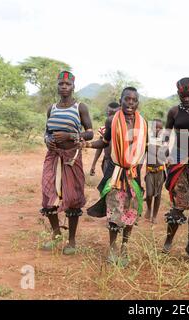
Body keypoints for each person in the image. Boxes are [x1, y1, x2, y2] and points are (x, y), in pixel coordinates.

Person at [84, 87, 147, 267]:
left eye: (134, 100)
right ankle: (112, 247)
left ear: (137, 103)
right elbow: (103, 143)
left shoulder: (143, 123)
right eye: (127, 99)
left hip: (133, 175)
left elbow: (143, 149)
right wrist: (86, 144)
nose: (130, 103)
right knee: (113, 211)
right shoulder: (112, 120)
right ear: (120, 100)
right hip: (115, 173)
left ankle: (125, 247)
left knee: (130, 212)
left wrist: (140, 175)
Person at [40, 71, 93, 255]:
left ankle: (72, 241)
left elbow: (90, 133)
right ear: (57, 86)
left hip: (71, 157)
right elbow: (47, 132)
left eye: (67, 84)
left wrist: (71, 135)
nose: (64, 87)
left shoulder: (80, 107)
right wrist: (48, 140)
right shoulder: (51, 108)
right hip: (53, 155)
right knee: (48, 193)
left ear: (73, 86)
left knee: (72, 197)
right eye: (61, 84)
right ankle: (55, 235)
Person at [162, 78, 189, 260]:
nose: (186, 98)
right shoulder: (173, 111)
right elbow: (167, 132)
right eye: (182, 95)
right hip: (178, 160)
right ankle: (168, 241)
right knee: (178, 205)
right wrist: (164, 150)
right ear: (178, 94)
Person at [144, 119, 166, 224]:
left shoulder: (164, 141)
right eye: (155, 128)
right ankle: (149, 208)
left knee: (158, 195)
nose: (157, 130)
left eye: (160, 128)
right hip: (149, 171)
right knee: (149, 194)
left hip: (160, 171)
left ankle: (155, 216)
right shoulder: (147, 141)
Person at [90, 102, 120, 176]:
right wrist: (93, 164)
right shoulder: (103, 129)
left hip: (120, 164)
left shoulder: (123, 130)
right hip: (107, 162)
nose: (112, 117)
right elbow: (100, 147)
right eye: (110, 113)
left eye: (115, 114)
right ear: (107, 113)